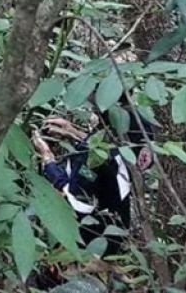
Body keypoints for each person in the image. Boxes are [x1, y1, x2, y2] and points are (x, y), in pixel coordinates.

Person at [32, 98, 155, 258]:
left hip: (90, 241)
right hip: (117, 227)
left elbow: (74, 195)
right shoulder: (133, 145)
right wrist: (74, 132)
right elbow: (108, 152)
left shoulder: (92, 165)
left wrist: (48, 160)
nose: (93, 119)